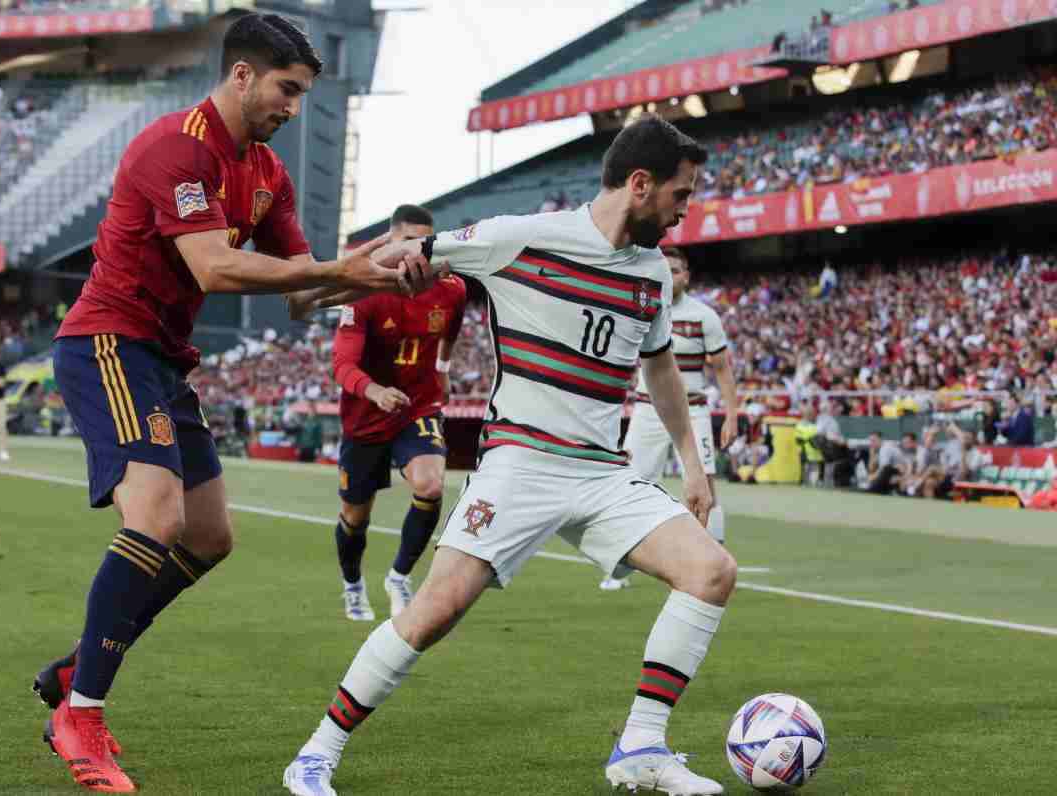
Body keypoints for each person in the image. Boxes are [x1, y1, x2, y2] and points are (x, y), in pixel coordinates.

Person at [31, 14, 437, 793]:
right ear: (243, 75)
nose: (293, 108)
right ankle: (79, 714)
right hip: (109, 341)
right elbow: (217, 269)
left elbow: (302, 289)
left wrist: (374, 270)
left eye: (303, 95)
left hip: (165, 362)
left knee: (210, 538)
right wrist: (354, 270)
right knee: (156, 517)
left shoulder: (268, 175)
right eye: (287, 90)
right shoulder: (175, 148)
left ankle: (83, 661)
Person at [283, 114, 735, 796]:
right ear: (640, 184)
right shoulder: (520, 238)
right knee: (434, 612)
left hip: (602, 473)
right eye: (680, 195)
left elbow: (662, 369)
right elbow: (412, 253)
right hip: (520, 463)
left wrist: (692, 465)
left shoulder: (648, 272)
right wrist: (314, 289)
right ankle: (316, 753)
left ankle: (640, 746)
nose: (683, 211)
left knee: (711, 572)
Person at [327, 204, 467, 621]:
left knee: (430, 485)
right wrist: (374, 391)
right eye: (407, 243)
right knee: (356, 516)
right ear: (389, 244)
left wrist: (442, 369)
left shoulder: (451, 288)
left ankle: (399, 578)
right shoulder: (364, 292)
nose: (417, 253)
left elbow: (452, 330)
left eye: (423, 244)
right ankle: (353, 585)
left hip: (417, 405)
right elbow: (341, 364)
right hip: (366, 415)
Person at [601, 245, 737, 591]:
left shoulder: (705, 316)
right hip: (647, 408)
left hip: (692, 408)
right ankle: (620, 563)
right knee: (630, 483)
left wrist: (732, 415)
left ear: (686, 276)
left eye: (676, 270)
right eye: (665, 268)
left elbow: (722, 368)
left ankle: (711, 561)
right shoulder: (643, 306)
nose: (670, 275)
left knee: (704, 482)